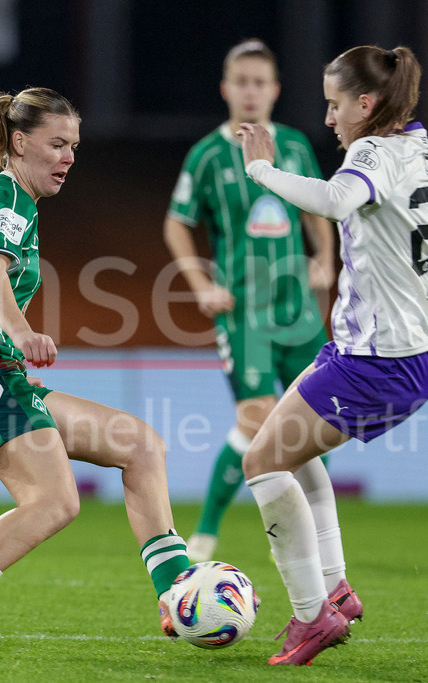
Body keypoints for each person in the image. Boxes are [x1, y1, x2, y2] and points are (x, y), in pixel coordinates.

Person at [0, 87, 191, 655]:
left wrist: (11, 350)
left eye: (75, 146)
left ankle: (178, 592)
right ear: (19, 141)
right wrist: (20, 333)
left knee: (140, 445)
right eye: (57, 144)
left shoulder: (10, 200)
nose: (69, 157)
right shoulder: (8, 198)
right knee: (54, 501)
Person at [236, 45, 428, 665]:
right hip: (401, 352)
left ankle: (310, 618)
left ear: (367, 104)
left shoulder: (371, 152)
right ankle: (333, 589)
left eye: (334, 104)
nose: (329, 119)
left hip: (375, 361)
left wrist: (262, 172)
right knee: (290, 453)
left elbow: (335, 201)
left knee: (262, 463)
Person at [163, 39, 336, 563]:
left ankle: (320, 548)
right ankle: (208, 532)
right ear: (226, 89)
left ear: (275, 90)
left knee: (308, 428)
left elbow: (317, 210)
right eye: (242, 81)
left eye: (261, 82)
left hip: (297, 310)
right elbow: (176, 223)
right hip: (244, 314)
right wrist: (199, 285)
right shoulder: (208, 155)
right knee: (257, 416)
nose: (251, 91)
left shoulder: (296, 147)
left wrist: (325, 260)